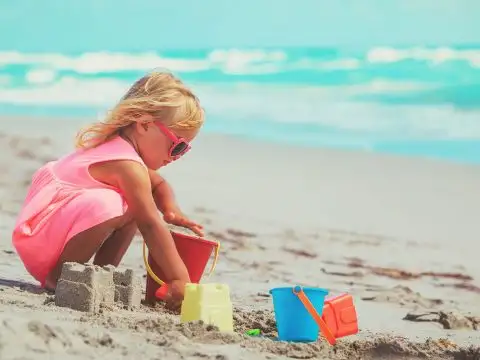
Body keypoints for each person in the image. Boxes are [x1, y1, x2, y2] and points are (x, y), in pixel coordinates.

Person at [11, 70, 204, 305]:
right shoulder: (127, 166)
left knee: (132, 204)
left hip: (49, 231)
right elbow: (151, 224)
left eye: (184, 150)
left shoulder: (124, 153)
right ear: (144, 125)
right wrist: (179, 279)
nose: (177, 157)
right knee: (115, 205)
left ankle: (102, 274)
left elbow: (159, 184)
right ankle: (60, 278)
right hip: (43, 239)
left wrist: (171, 209)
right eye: (177, 146)